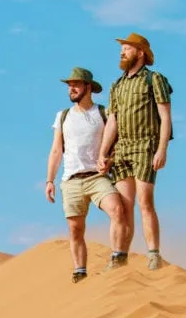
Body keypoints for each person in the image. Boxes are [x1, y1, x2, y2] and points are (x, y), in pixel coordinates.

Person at [97, 32, 173, 270]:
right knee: (124, 206)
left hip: (145, 145)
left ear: (140, 53)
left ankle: (153, 254)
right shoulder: (116, 85)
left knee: (145, 202)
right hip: (122, 149)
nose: (122, 52)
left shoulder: (154, 79)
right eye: (122, 49)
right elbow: (113, 121)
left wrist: (162, 149)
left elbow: (165, 116)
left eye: (128, 48)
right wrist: (103, 152)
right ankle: (121, 257)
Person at [45, 67, 128, 283]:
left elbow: (118, 142)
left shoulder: (103, 113)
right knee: (75, 230)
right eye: (69, 85)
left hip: (97, 178)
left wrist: (109, 159)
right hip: (71, 180)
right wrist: (49, 180)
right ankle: (79, 272)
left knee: (117, 209)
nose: (71, 89)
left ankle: (119, 257)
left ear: (88, 87)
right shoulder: (63, 116)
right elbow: (56, 150)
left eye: (76, 84)